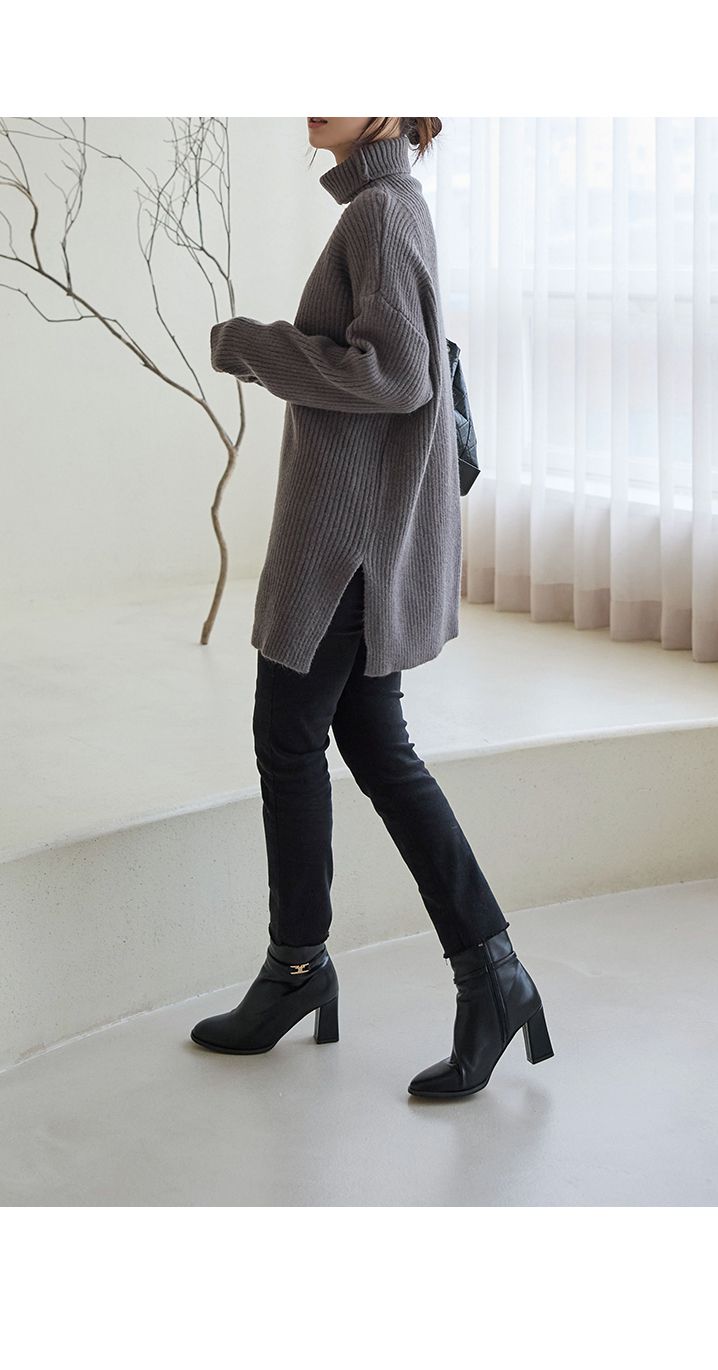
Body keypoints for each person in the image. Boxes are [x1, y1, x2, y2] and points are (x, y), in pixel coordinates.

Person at [190, 117, 553, 1098]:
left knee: (288, 738)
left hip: (347, 542)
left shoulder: (381, 214)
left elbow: (394, 375)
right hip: (362, 535)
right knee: (372, 747)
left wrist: (255, 347)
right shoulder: (385, 207)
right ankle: (489, 975)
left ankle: (301, 971)